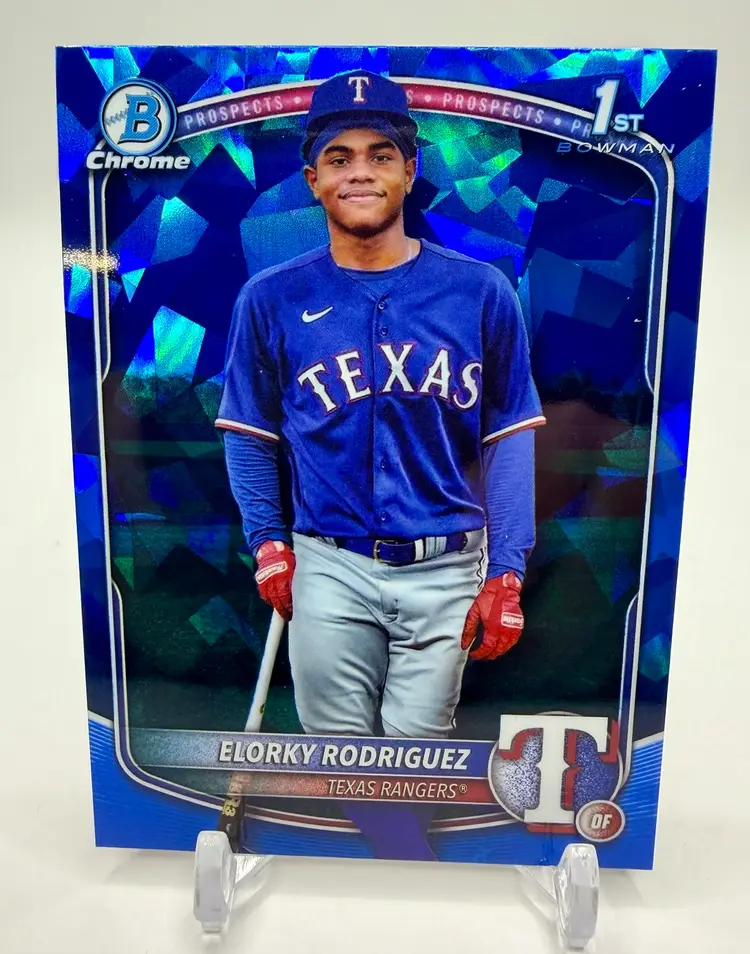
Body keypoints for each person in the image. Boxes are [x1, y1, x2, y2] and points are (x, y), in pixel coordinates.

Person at [215, 70, 545, 859]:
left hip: (447, 565)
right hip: (328, 561)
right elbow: (250, 434)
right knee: (337, 750)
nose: (359, 171)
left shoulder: (480, 291)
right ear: (313, 179)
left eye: (380, 155)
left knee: (416, 759)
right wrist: (269, 544)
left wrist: (507, 572)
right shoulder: (271, 297)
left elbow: (508, 437)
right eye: (339, 157)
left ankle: (398, 870)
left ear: (409, 170)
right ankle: (407, 874)